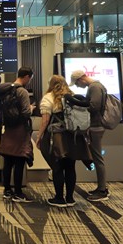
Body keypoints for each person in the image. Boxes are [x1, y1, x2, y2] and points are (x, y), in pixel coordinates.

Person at [36, 75, 93, 207]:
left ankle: (59, 198)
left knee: (57, 167)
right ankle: (70, 198)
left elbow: (45, 120)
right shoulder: (71, 95)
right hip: (73, 136)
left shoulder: (48, 97)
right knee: (70, 167)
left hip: (57, 137)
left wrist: (39, 137)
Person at [0, 67, 35, 203]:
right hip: (20, 129)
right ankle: (18, 192)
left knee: (8, 161)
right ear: (27, 77)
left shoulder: (4, 91)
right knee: (19, 160)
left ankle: (7, 190)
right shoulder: (21, 91)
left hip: (7, 128)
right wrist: (31, 109)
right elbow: (25, 113)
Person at [69, 70, 109, 202]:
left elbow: (94, 106)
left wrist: (77, 102)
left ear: (81, 79)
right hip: (95, 126)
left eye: (76, 83)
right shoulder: (97, 86)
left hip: (95, 126)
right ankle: (101, 188)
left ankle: (102, 190)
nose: (77, 86)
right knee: (97, 158)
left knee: (97, 158)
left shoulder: (94, 87)